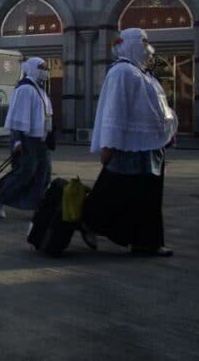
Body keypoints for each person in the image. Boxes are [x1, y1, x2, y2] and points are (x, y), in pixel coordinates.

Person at [82, 28, 177, 257]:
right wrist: (108, 146)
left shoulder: (143, 74)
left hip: (149, 148)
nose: (148, 47)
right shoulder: (122, 72)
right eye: (143, 42)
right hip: (129, 147)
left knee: (147, 197)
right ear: (130, 44)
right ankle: (86, 222)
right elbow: (115, 112)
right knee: (114, 192)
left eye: (148, 42)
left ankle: (146, 242)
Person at [0, 57, 53, 219]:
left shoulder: (40, 89)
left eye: (46, 67)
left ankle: (38, 206)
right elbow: (18, 116)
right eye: (42, 67)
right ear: (32, 68)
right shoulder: (25, 89)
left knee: (43, 173)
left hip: (41, 140)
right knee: (24, 173)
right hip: (27, 140)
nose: (45, 70)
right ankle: (0, 197)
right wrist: (17, 140)